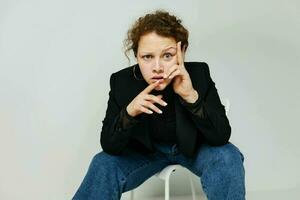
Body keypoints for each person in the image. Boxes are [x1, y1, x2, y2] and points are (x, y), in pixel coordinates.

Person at [72, 10, 245, 200]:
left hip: (193, 151)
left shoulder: (198, 74)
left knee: (228, 155)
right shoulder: (122, 82)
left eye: (167, 56)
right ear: (136, 56)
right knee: (102, 163)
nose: (157, 67)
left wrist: (191, 96)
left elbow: (221, 137)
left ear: (183, 51)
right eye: (147, 57)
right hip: (145, 155)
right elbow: (109, 147)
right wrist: (129, 113)